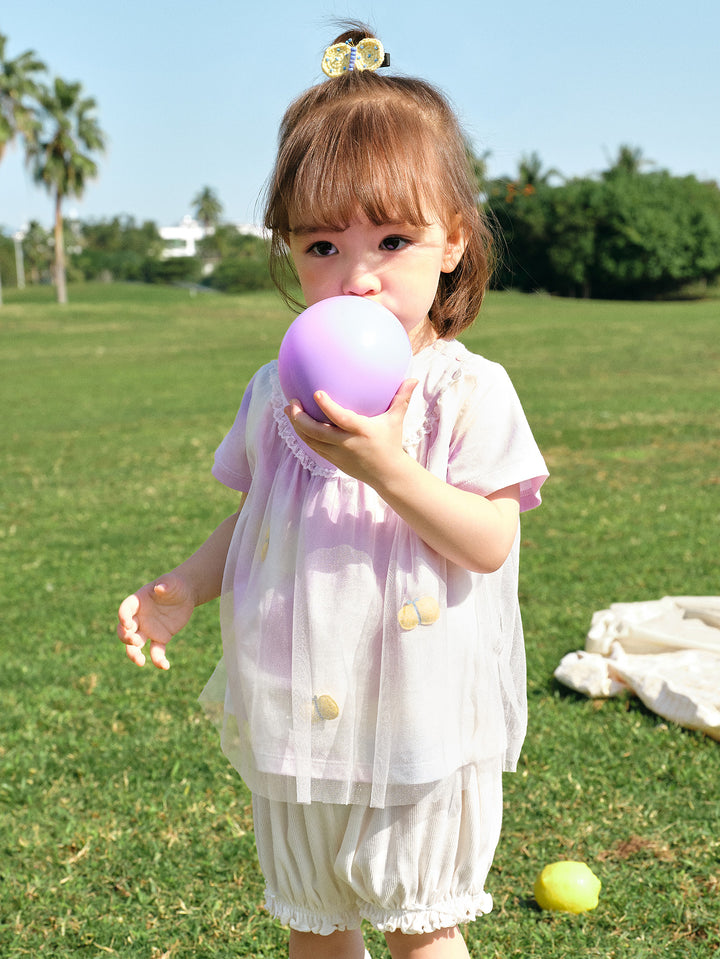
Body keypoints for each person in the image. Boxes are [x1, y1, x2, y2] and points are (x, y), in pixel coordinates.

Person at [117, 22, 548, 959]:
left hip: (423, 722)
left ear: (452, 243)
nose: (356, 278)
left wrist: (389, 467)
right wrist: (185, 586)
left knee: (421, 928)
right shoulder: (279, 391)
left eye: (393, 239)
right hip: (302, 714)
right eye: (321, 246)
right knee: (315, 925)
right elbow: (259, 515)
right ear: (287, 252)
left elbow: (488, 541)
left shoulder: (467, 390)